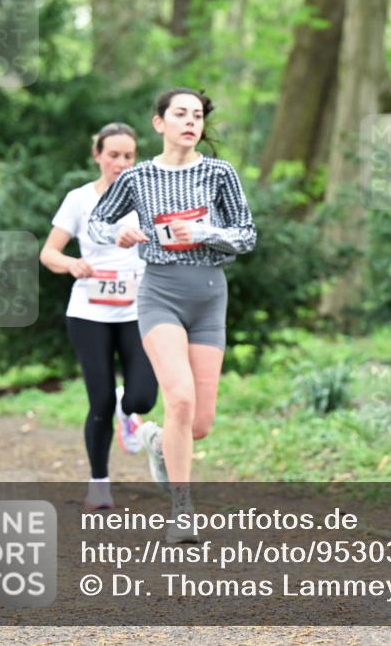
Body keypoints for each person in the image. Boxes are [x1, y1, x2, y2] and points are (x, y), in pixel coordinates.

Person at [88, 88, 257, 544]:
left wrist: (204, 231)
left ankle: (156, 440)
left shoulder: (219, 173)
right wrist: (120, 232)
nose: (190, 122)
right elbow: (97, 222)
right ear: (159, 123)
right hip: (160, 294)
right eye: (180, 114)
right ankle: (182, 512)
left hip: (209, 298)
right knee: (179, 398)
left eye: (197, 115)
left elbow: (246, 235)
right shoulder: (138, 177)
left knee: (198, 424)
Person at [40, 122, 159, 511]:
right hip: (89, 311)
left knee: (143, 397)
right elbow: (49, 252)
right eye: (113, 155)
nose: (121, 163)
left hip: (138, 309)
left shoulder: (148, 197)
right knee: (100, 401)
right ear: (97, 156)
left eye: (129, 156)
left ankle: (129, 409)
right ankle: (99, 483)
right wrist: (71, 264)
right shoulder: (79, 199)